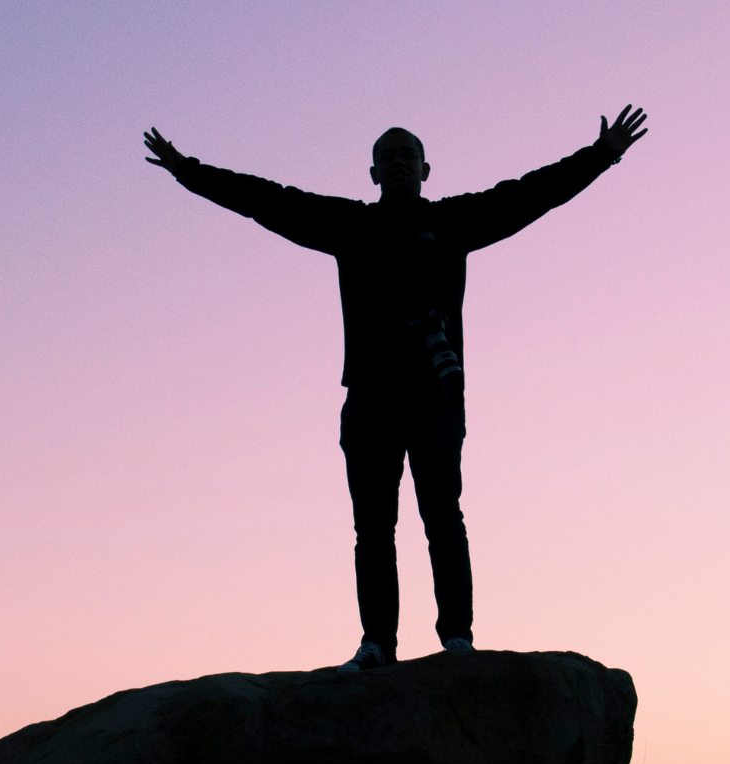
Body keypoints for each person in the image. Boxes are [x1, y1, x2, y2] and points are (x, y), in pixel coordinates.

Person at [142, 106, 648, 671]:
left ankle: (456, 638)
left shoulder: (454, 223)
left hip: (434, 395)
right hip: (370, 400)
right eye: (389, 156)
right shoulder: (351, 227)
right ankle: (377, 644)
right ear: (374, 174)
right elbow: (268, 201)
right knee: (373, 528)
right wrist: (187, 171)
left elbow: (528, 196)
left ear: (427, 169)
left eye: (408, 154)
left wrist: (600, 156)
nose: (399, 162)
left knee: (443, 517)